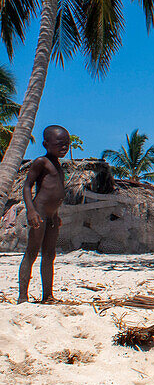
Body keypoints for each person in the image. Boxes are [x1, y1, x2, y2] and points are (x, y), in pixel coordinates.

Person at [17, 125, 70, 304]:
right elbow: (27, 186)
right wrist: (31, 210)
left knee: (49, 255)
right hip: (39, 213)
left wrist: (56, 214)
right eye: (60, 144)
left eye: (67, 144)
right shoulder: (42, 162)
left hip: (52, 216)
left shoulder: (58, 165)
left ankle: (47, 295)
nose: (65, 147)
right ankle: (22, 296)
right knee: (31, 252)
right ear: (46, 144)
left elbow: (56, 191)